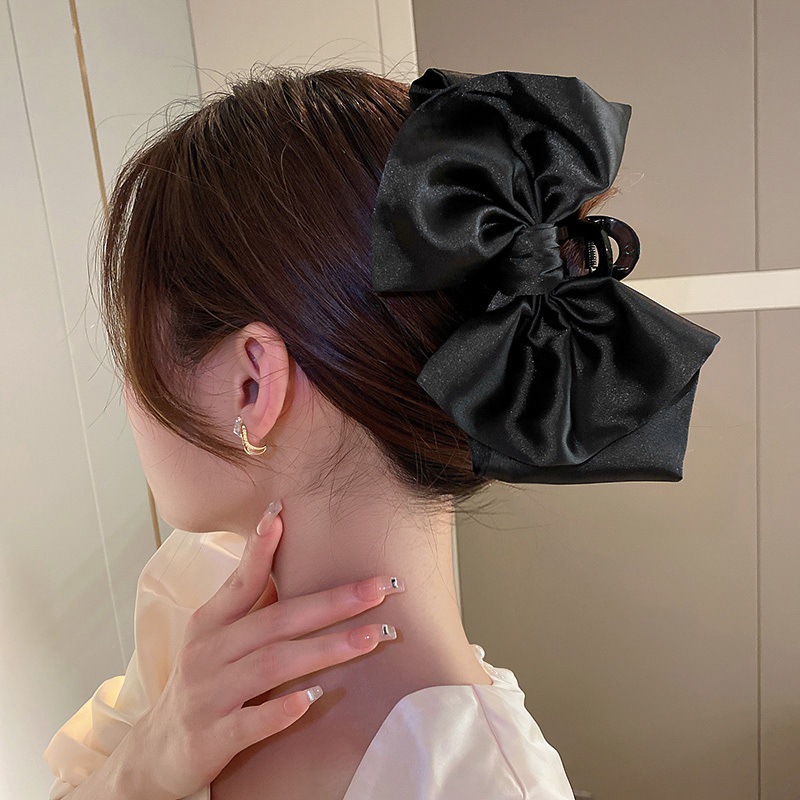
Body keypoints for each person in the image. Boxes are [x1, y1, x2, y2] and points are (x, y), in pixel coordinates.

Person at [43, 63, 720, 800]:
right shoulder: (204, 615)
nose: (130, 393)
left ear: (252, 384)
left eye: (135, 350)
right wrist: (145, 765)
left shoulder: (477, 784)